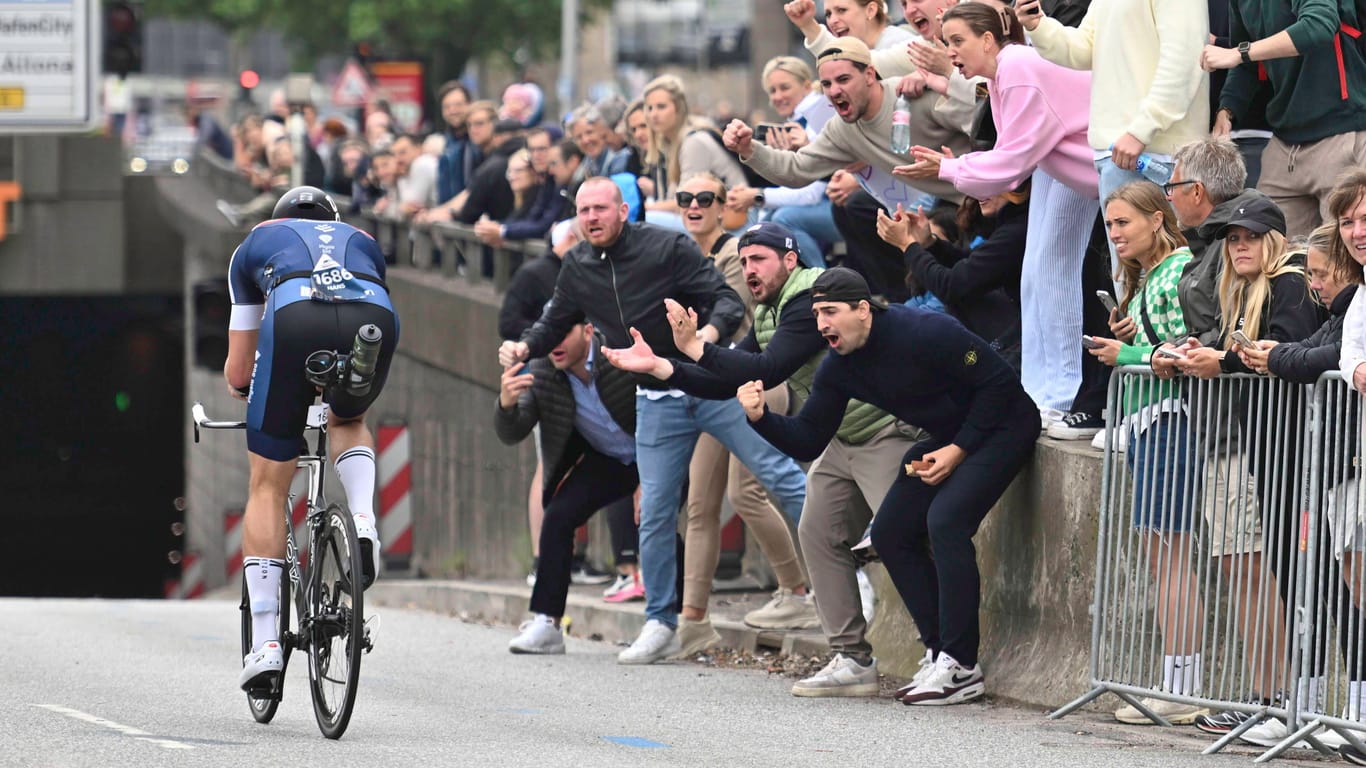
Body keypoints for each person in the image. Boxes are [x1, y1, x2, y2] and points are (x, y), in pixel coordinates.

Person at [603, 222, 928, 697]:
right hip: (841, 438)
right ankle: (854, 660)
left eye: (760, 259)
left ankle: (948, 654)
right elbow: (725, 380)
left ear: (790, 260)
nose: (750, 269)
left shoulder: (808, 299)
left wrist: (695, 346)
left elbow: (767, 369)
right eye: (745, 260)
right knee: (817, 534)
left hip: (885, 429)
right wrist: (662, 366)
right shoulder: (768, 310)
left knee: (906, 539)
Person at [499, 178, 808, 665]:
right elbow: (556, 319)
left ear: (624, 210)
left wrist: (700, 340)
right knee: (658, 510)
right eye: (583, 210)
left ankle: (845, 574)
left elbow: (726, 300)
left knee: (776, 474)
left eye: (601, 207)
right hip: (656, 396)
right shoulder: (577, 264)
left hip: (708, 382)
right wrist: (525, 346)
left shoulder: (665, 246)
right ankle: (661, 622)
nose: (592, 217)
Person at [736, 266, 1040, 704]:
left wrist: (959, 449)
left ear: (863, 309)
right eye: (816, 313)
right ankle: (939, 652)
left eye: (830, 311)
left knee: (946, 521)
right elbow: (808, 437)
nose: (822, 324)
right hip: (952, 436)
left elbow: (999, 383)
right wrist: (760, 417)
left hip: (1006, 424)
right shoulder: (838, 368)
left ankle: (961, 666)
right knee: (891, 531)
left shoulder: (925, 330)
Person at [896, 3, 1104, 437]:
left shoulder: (1018, 66)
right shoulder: (998, 75)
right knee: (1037, 274)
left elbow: (1010, 164)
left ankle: (1065, 396)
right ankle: (1040, 394)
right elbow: (1008, 158)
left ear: (988, 40)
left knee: (1058, 274)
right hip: (1063, 169)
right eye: (946, 42)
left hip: (1106, 166)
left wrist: (948, 169)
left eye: (957, 41)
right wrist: (960, 169)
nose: (950, 51)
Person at [226, 186, 399, 691]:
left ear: (278, 219)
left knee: (268, 484)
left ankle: (266, 645)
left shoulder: (255, 244)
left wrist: (249, 387)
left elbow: (239, 369)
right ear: (335, 220)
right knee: (348, 418)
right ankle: (363, 523)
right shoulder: (363, 239)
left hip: (295, 317)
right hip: (374, 317)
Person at [674, 176, 817, 652]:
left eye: (704, 199)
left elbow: (743, 331)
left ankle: (802, 588)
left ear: (724, 207)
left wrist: (698, 345)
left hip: (755, 382)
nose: (694, 206)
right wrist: (663, 367)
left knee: (750, 490)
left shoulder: (741, 251)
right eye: (684, 199)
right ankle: (692, 621)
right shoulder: (679, 255)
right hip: (722, 381)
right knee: (700, 501)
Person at [1083, 182, 1208, 724]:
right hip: (1148, 422)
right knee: (1163, 556)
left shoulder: (1177, 268)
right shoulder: (1150, 275)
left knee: (1171, 556)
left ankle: (1182, 689)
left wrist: (1128, 351)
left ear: (1158, 219)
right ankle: (1176, 680)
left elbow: (1185, 349)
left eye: (1123, 223)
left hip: (1170, 421)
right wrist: (1135, 337)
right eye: (1109, 225)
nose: (1114, 234)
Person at [723, 36, 971, 300]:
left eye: (843, 80)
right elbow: (796, 170)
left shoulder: (909, 93)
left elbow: (981, 120)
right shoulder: (842, 128)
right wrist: (749, 149)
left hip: (989, 199)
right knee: (879, 221)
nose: (833, 91)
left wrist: (946, 83)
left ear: (869, 75)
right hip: (948, 215)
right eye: (827, 84)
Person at [496, 322, 641, 654]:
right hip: (608, 460)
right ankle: (547, 623)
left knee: (657, 520)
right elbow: (513, 431)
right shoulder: (544, 371)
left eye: (563, 334)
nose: (555, 345)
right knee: (558, 516)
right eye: (549, 339)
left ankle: (668, 620)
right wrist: (506, 404)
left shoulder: (615, 353)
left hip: (656, 452)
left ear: (587, 331)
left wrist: (651, 477)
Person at [726, 56, 841, 269]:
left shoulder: (815, 120)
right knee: (766, 221)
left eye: (784, 88)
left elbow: (810, 193)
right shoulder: (796, 123)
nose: (777, 96)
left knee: (783, 219)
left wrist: (757, 196)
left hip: (843, 206)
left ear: (806, 86)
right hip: (829, 205)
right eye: (772, 90)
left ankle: (821, 283)